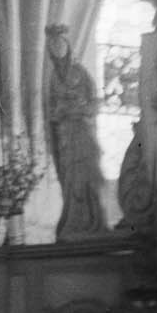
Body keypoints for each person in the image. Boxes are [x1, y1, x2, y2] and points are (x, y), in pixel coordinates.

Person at [44, 22, 105, 239]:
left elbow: (96, 102)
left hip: (82, 131)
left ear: (67, 46)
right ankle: (74, 220)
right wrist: (59, 112)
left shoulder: (80, 72)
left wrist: (80, 109)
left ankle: (93, 221)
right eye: (53, 46)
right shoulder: (52, 78)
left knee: (86, 175)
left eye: (60, 44)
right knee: (69, 178)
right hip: (65, 136)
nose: (57, 49)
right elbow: (51, 111)